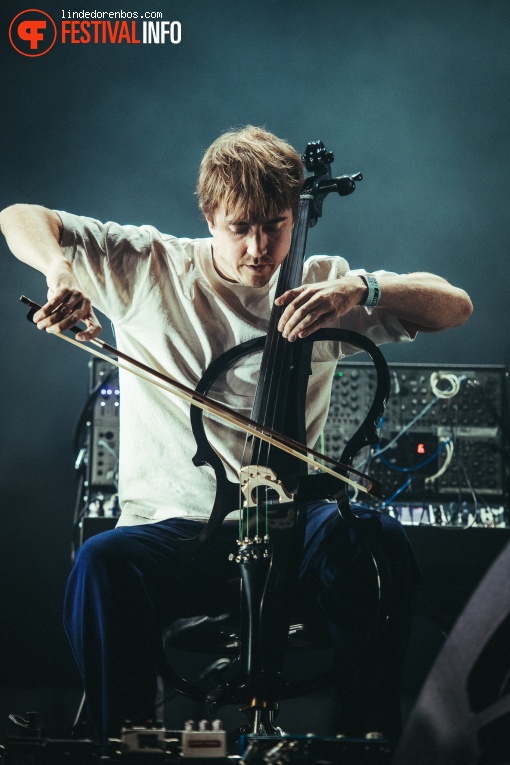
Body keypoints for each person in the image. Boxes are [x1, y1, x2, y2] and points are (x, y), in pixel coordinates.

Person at [1, 126, 472, 747]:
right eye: (240, 227)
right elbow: (19, 216)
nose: (258, 248)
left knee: (376, 541)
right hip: (175, 528)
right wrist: (61, 270)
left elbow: (455, 304)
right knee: (100, 565)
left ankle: (367, 735)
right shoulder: (150, 265)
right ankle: (125, 738)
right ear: (209, 216)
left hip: (291, 522)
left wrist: (363, 289)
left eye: (275, 226)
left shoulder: (322, 286)